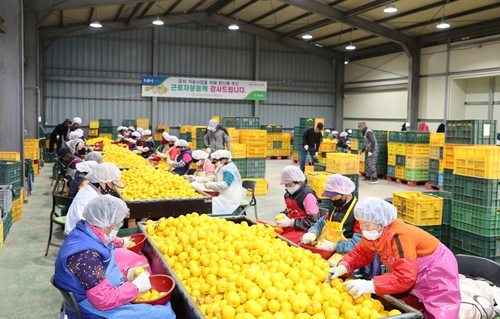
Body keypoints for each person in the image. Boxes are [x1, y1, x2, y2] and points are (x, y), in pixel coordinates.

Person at [326, 197, 461, 319]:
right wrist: (344, 266)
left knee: (439, 307)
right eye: (361, 224)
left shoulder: (399, 236)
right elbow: (362, 253)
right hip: (411, 269)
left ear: (381, 222)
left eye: (366, 225)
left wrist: (371, 285)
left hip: (436, 268)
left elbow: (405, 277)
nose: (363, 228)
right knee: (408, 305)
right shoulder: (374, 233)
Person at [54, 195, 175, 319]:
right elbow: (103, 300)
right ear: (105, 223)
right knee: (166, 314)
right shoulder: (86, 255)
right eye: (117, 225)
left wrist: (125, 274)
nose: (117, 229)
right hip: (92, 307)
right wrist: (135, 287)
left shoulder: (87, 231)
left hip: (96, 293)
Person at [65, 163, 125, 235]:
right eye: (113, 184)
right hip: (80, 234)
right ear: (102, 182)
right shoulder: (89, 197)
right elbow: (90, 227)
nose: (113, 188)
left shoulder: (89, 189)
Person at [275, 166, 319, 243]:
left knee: (283, 242)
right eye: (286, 185)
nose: (288, 188)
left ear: (299, 182)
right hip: (290, 227)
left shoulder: (308, 196)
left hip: (303, 230)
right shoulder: (288, 194)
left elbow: (313, 221)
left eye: (290, 185)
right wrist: (284, 215)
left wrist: (292, 222)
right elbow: (290, 210)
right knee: (273, 235)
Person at [204, 150, 245, 215]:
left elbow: (226, 184)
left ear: (223, 159)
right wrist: (208, 178)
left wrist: (211, 185)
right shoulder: (221, 167)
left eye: (216, 161)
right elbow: (216, 176)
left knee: (212, 203)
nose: (215, 163)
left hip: (231, 196)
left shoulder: (229, 169)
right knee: (209, 201)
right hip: (223, 193)